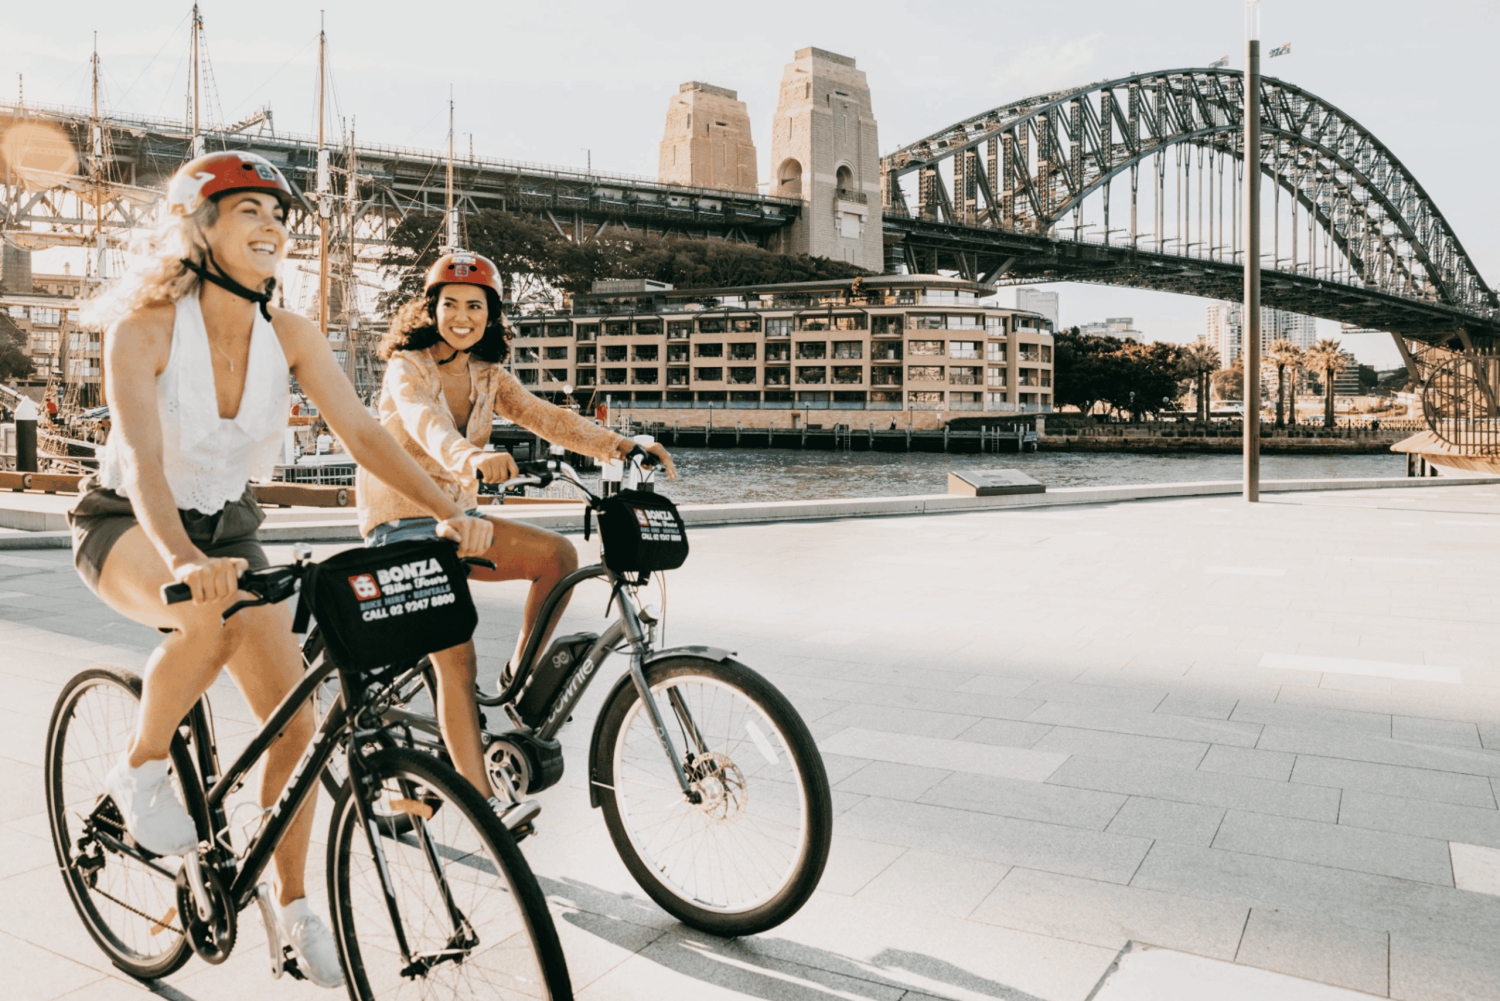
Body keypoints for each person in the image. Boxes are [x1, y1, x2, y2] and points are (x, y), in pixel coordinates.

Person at [70, 152, 494, 989]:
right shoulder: (144, 328)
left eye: (279, 215)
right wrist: (186, 560)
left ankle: (295, 912)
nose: (272, 227)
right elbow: (148, 466)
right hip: (126, 520)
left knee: (297, 726)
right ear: (199, 223)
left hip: (229, 528)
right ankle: (142, 764)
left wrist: (447, 503)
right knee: (206, 618)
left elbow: (365, 437)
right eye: (248, 211)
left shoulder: (289, 334)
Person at [360, 251, 675, 827]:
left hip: (460, 524)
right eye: (449, 304)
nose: (461, 316)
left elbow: (549, 419)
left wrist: (624, 445)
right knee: (456, 664)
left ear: (490, 314)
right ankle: (485, 807)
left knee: (558, 555)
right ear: (430, 309)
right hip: (403, 523)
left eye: (474, 306)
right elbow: (425, 422)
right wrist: (470, 457)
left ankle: (519, 680)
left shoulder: (487, 375)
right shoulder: (408, 367)